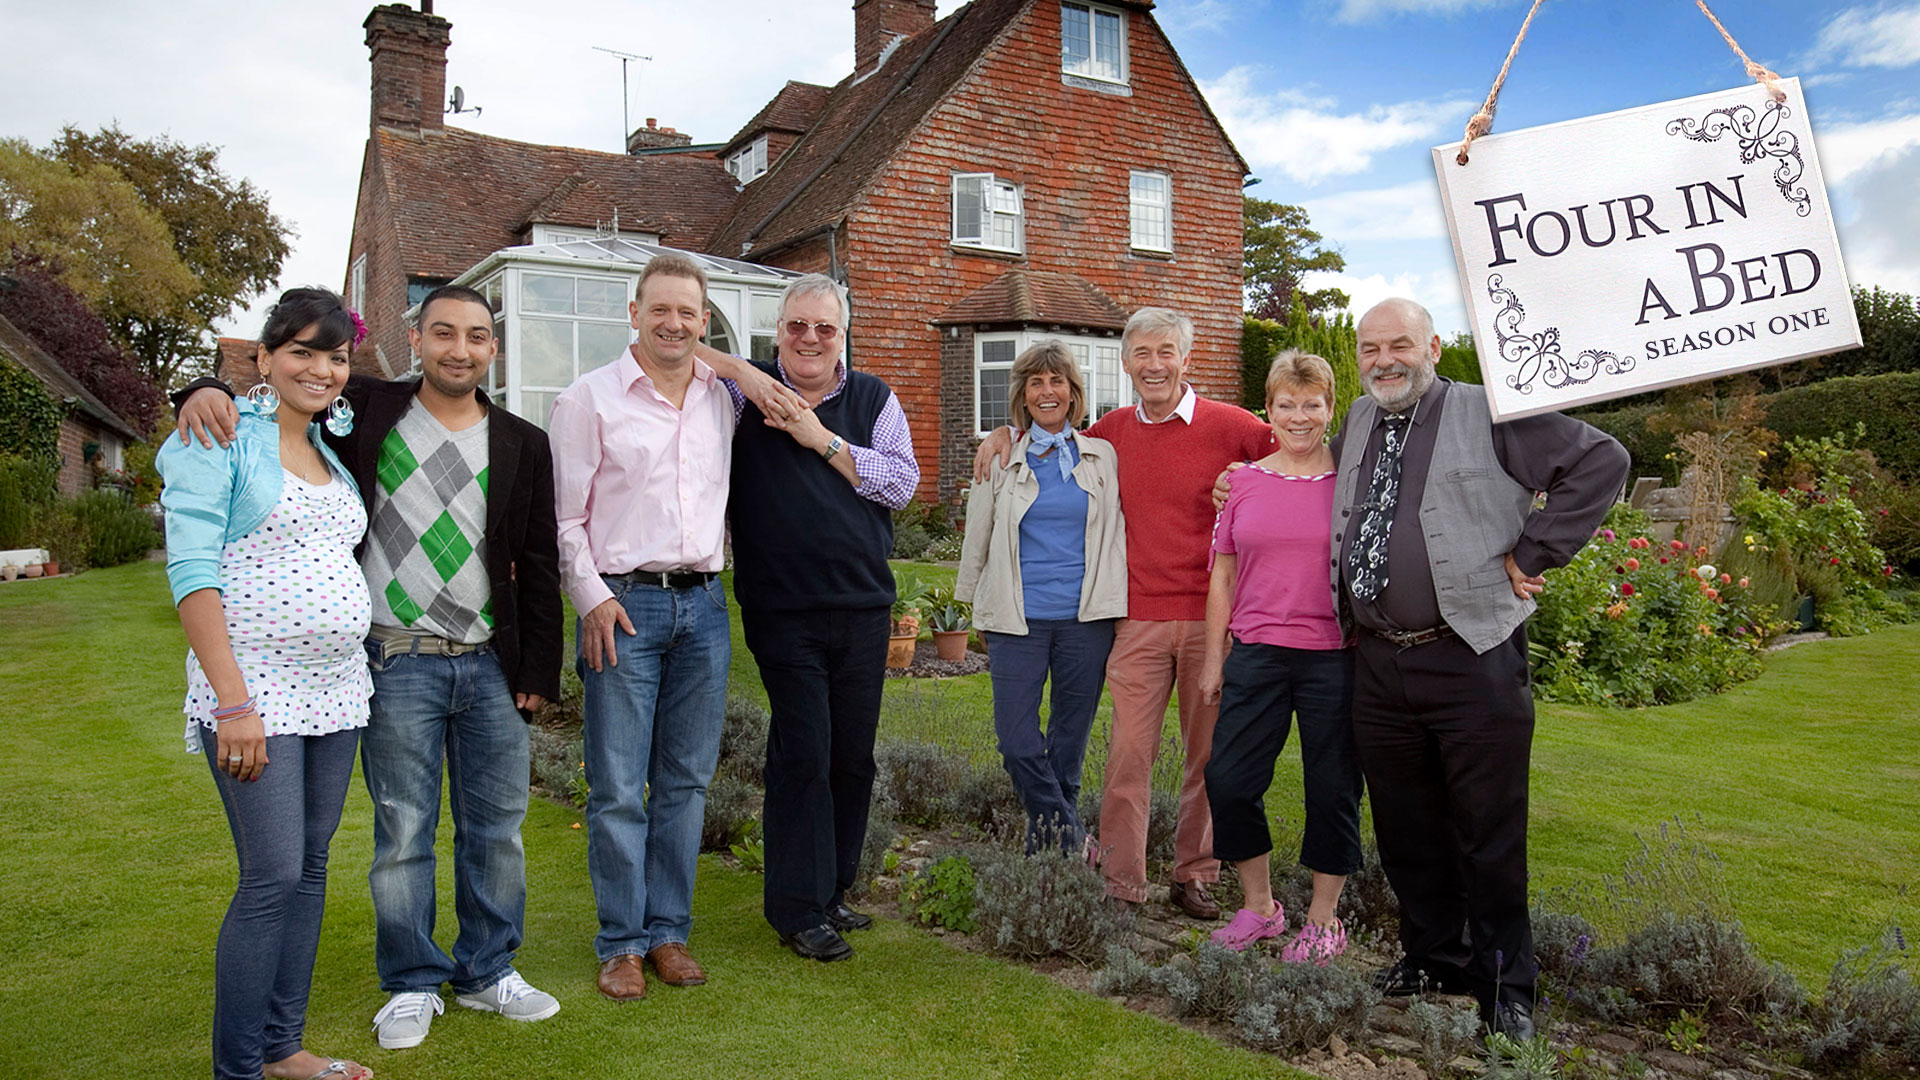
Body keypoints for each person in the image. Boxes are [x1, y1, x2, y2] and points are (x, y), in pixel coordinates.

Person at [174, 283, 565, 1048]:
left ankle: (487, 971)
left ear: (495, 349)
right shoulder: (366, 413)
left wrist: (538, 670)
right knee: (402, 832)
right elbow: (284, 378)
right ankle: (413, 981)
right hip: (395, 661)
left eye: (477, 336)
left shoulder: (524, 440)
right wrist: (201, 388)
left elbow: (539, 560)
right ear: (414, 340)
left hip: (489, 662)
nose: (461, 349)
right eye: (443, 333)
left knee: (498, 831)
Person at [1332, 298, 1628, 1038]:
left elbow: (1601, 460)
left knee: (1488, 830)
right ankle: (1433, 955)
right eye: (1370, 348)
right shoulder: (1359, 421)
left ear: (1433, 345)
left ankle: (1506, 987)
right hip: (1377, 661)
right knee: (1406, 829)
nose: (1384, 359)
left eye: (1400, 344)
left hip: (1472, 655)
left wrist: (1534, 551)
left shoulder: (1492, 411)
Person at [974, 308, 1272, 918]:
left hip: (1210, 619)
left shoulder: (1235, 426)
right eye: (1142, 353)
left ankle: (1194, 873)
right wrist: (1004, 433)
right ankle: (1119, 880)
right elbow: (1047, 431)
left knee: (1205, 756)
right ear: (1126, 362)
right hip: (1133, 617)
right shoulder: (1108, 436)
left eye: (1167, 352)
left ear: (1187, 359)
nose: (1155, 365)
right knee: (1127, 756)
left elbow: (1302, 455)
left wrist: (1250, 474)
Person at [157, 287, 376, 1080]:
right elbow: (192, 575)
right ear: (264, 357)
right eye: (303, 352)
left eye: (336, 355)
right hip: (255, 693)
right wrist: (233, 702)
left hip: (338, 688)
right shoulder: (215, 438)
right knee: (272, 874)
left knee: (311, 869)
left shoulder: (330, 450)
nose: (321, 370)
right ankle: (237, 1070)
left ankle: (282, 1048)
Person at [698, 273, 919, 961]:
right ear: (778, 331)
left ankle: (830, 890)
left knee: (851, 757)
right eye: (797, 325)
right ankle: (796, 908)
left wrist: (819, 437)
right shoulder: (743, 392)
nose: (811, 338)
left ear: (842, 333)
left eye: (824, 326)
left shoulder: (874, 398)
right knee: (804, 748)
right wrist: (743, 367)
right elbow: (677, 348)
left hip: (861, 604)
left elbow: (902, 483)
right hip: (781, 606)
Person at [550, 253, 735, 1001]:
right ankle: (621, 942)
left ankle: (668, 933)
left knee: (686, 782)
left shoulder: (721, 398)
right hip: (625, 605)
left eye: (688, 313)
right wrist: (591, 597)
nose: (674, 324)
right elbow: (564, 518)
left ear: (703, 322)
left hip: (706, 607)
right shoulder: (589, 400)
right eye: (660, 309)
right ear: (633, 312)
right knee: (621, 786)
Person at [1198, 350, 1360, 961]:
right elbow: (1222, 576)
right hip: (1258, 654)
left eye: (1311, 405)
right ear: (1267, 410)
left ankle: (1323, 921)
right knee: (1230, 780)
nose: (1299, 417)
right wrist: (1214, 661)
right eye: (1286, 405)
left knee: (1333, 788)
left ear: (1329, 408)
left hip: (1335, 657)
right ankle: (1260, 908)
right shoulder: (1241, 481)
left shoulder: (1351, 483)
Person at [956, 341, 1126, 855]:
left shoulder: (1102, 457)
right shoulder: (1001, 454)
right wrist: (974, 606)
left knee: (1068, 746)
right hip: (1016, 620)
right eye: (1036, 383)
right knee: (1017, 742)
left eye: (1057, 382)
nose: (1046, 391)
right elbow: (977, 537)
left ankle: (1048, 859)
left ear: (1073, 394)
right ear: (1023, 396)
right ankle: (1074, 840)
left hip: (1085, 620)